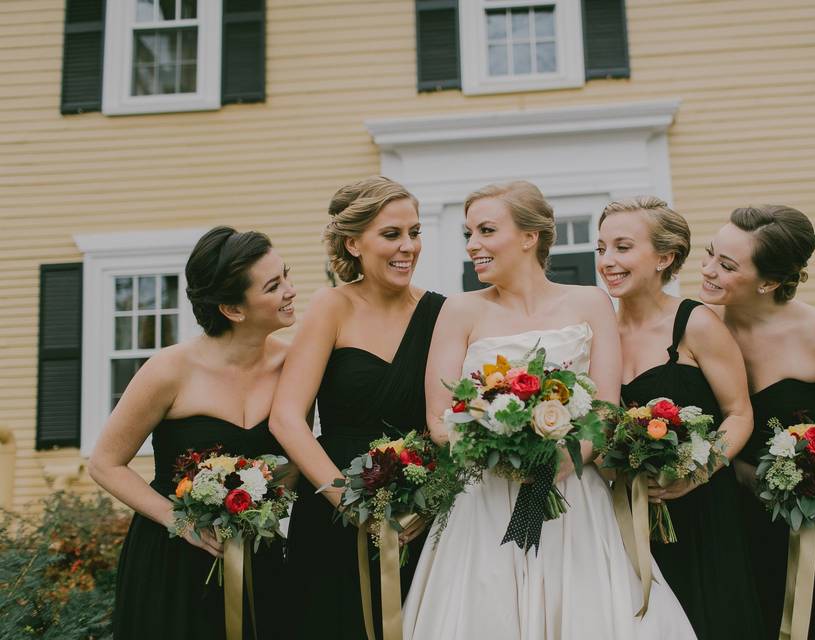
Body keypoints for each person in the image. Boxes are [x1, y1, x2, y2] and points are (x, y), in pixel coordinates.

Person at [403, 181, 696, 640]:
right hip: (484, 500)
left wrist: (564, 460)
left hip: (574, 494)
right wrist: (499, 453)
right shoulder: (459, 311)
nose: (472, 245)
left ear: (529, 236)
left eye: (485, 230)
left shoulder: (589, 302)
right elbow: (439, 419)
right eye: (468, 234)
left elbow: (604, 409)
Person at [90, 226, 297, 639]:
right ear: (233, 309)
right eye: (274, 285)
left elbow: (295, 460)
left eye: (286, 275)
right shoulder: (168, 371)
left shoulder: (295, 365)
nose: (291, 290)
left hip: (259, 557)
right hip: (173, 562)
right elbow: (105, 463)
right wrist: (183, 524)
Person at [268, 176, 444, 638]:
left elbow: (451, 424)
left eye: (415, 232)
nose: (408, 246)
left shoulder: (443, 313)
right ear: (353, 242)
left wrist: (429, 504)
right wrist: (348, 504)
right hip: (333, 514)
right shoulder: (332, 307)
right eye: (392, 234)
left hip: (418, 515)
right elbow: (287, 418)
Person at [700, 204, 815, 639]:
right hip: (728, 503)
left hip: (809, 508)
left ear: (770, 282)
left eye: (725, 265)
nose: (706, 270)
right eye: (709, 254)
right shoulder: (698, 326)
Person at [597, 196, 764, 640]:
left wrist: (698, 471)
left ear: (665, 257)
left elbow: (739, 413)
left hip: (702, 510)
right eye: (602, 249)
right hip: (622, 516)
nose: (608, 261)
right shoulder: (598, 334)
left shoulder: (697, 324)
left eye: (622, 247)